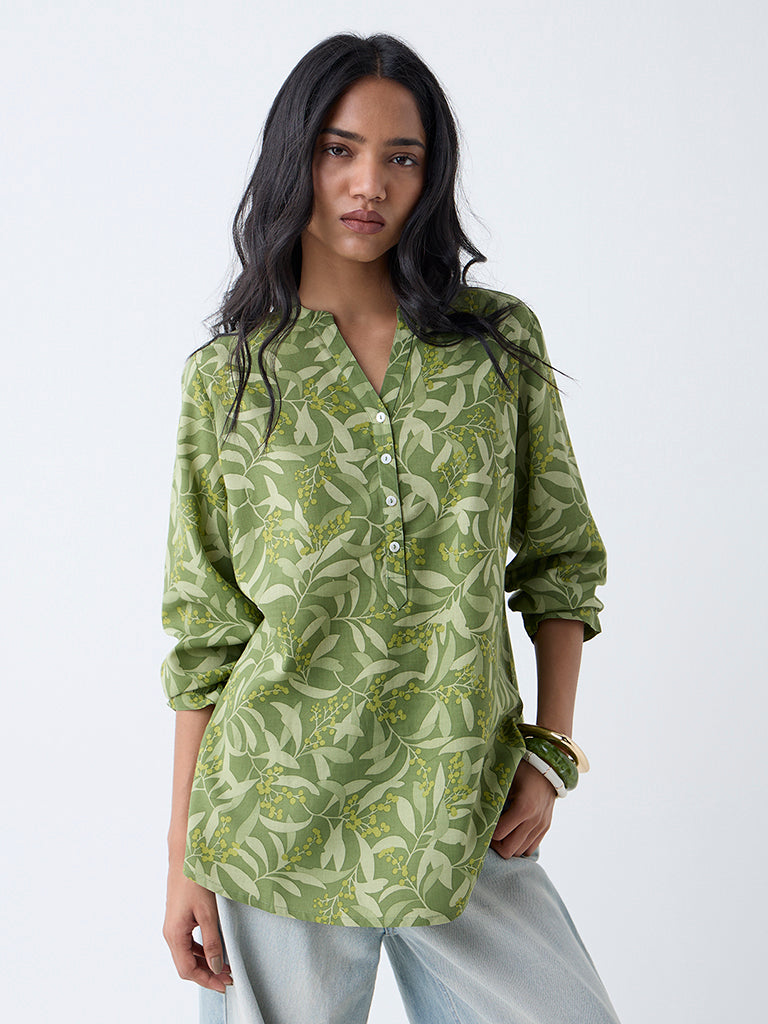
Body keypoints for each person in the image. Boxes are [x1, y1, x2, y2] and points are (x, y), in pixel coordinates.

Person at [160, 31, 621, 1024]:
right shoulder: (229, 379)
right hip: (272, 818)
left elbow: (560, 560)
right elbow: (206, 635)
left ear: (429, 175)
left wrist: (550, 752)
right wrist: (182, 861)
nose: (369, 183)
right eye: (340, 149)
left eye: (400, 157)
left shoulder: (494, 347)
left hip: (463, 808)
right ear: (296, 157)